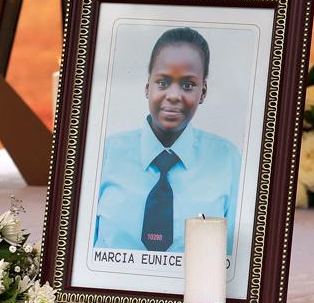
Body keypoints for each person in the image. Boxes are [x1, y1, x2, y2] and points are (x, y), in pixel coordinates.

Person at [94, 27, 241, 254]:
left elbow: (234, 257)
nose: (173, 95)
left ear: (203, 92)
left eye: (188, 85)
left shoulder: (228, 160)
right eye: (162, 82)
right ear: (147, 87)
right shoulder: (104, 155)